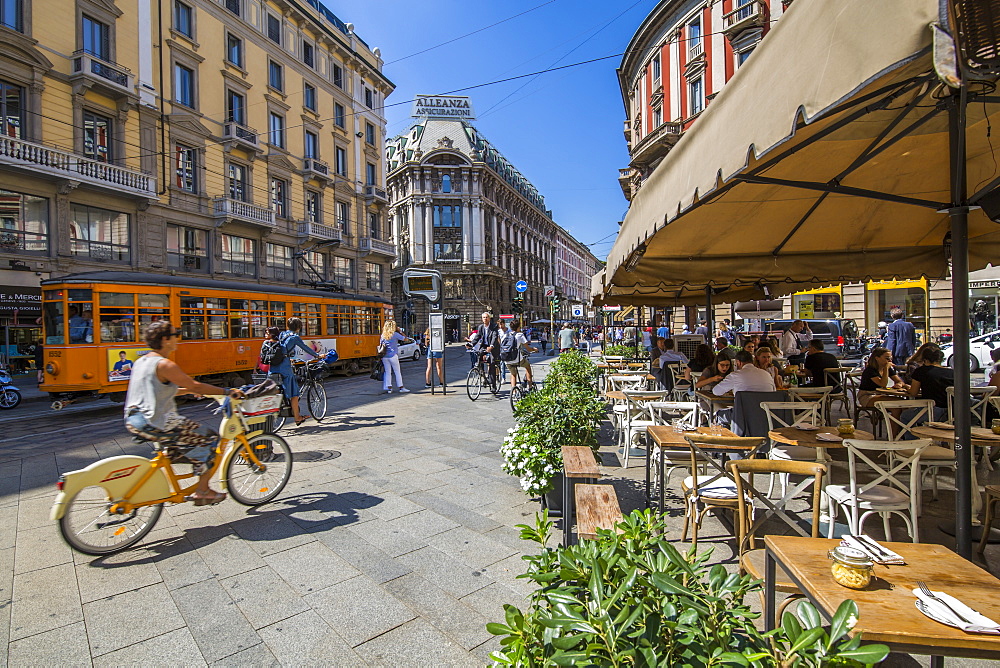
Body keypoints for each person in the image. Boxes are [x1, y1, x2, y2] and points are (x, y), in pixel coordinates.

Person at [124, 320, 243, 506]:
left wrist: (186, 391)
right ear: (165, 340)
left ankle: (179, 471)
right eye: (175, 334)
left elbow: (158, 390)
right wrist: (228, 392)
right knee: (210, 439)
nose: (178, 338)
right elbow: (195, 384)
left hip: (134, 419)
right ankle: (202, 490)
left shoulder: (141, 361)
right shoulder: (165, 365)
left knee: (182, 442)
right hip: (157, 421)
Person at [274, 318, 321, 425]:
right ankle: (297, 417)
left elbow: (282, 350)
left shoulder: (282, 335)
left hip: (274, 366)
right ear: (299, 327)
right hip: (284, 367)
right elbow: (305, 348)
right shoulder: (294, 337)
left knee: (278, 387)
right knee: (294, 393)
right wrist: (317, 355)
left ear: (287, 326)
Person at [907, 347, 953, 421]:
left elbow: (913, 392)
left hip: (931, 410)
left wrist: (907, 387)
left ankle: (914, 432)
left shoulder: (920, 371)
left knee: (904, 416)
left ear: (925, 359)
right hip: (952, 412)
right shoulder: (951, 372)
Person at [500, 320, 537, 391]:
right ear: (518, 327)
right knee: (528, 366)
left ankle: (513, 392)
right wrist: (534, 349)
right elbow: (528, 348)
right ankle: (530, 386)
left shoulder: (505, 335)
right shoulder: (520, 335)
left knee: (513, 374)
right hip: (517, 359)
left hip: (507, 359)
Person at [379, 320, 410, 395]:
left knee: (387, 372)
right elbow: (406, 339)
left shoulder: (383, 335)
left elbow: (380, 345)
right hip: (393, 355)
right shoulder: (395, 334)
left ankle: (389, 388)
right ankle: (401, 387)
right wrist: (400, 331)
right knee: (397, 372)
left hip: (385, 356)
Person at [471, 312, 500, 385]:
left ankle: (493, 385)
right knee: (479, 357)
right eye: (484, 317)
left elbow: (494, 336)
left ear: (489, 318)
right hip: (484, 346)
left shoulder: (494, 326)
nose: (485, 319)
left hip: (493, 347)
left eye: (486, 317)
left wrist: (491, 346)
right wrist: (471, 344)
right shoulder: (481, 327)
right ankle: (483, 375)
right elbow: (477, 336)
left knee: (492, 363)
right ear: (482, 319)